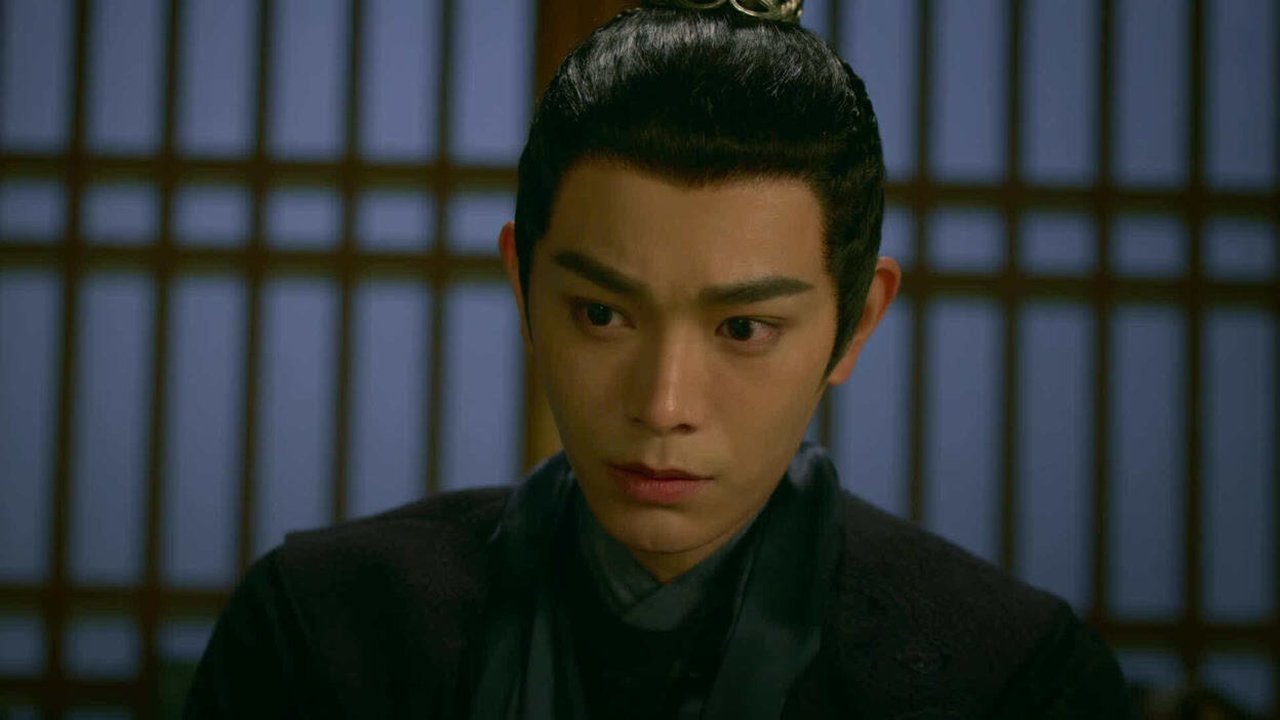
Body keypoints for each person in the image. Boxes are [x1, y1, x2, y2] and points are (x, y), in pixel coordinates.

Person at [185, 1, 1137, 717]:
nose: (663, 403)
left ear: (856, 323)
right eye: (602, 313)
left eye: (743, 329)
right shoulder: (320, 629)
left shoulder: (1013, 679)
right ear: (523, 287)